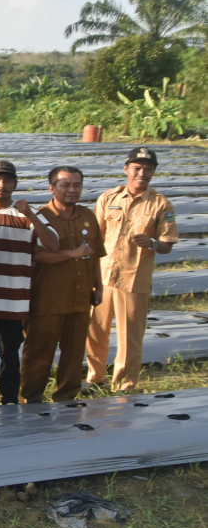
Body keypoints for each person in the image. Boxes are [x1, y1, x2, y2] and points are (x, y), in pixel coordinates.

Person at [86, 147, 179, 393]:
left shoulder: (160, 204)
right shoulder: (108, 198)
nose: (142, 173)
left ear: (154, 172)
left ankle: (123, 386)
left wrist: (153, 244)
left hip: (133, 279)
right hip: (103, 275)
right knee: (95, 329)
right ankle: (94, 379)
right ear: (126, 169)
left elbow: (167, 245)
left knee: (130, 337)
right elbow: (97, 240)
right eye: (137, 168)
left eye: (148, 169)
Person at [0, 160, 58, 404]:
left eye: (7, 180)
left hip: (13, 299)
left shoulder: (27, 213)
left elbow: (52, 244)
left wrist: (30, 214)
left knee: (9, 352)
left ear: (15, 184)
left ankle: (8, 398)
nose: (1, 185)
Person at [20, 167, 105, 403]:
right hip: (48, 298)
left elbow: (96, 254)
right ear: (51, 188)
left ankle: (67, 395)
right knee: (39, 351)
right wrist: (72, 254)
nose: (72, 190)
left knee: (74, 351)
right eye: (65, 185)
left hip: (80, 297)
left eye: (76, 185)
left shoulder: (87, 216)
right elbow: (37, 255)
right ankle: (31, 397)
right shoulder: (40, 217)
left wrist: (98, 286)